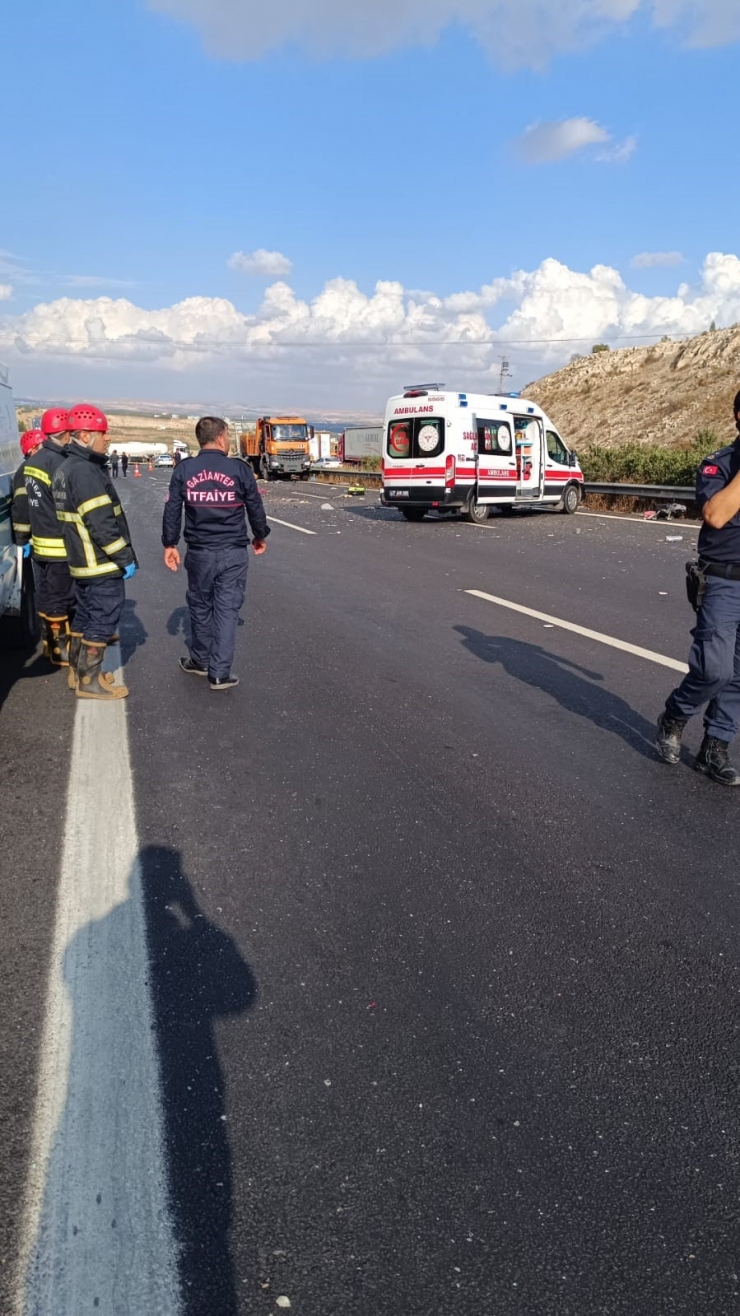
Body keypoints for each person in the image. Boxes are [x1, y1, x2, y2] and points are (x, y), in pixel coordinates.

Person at [657, 388, 740, 785]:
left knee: (739, 675)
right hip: (724, 581)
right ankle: (675, 713)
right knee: (714, 670)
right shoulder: (719, 465)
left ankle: (714, 748)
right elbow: (716, 515)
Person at [162, 415, 269, 691]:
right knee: (226, 608)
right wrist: (260, 535)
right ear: (221, 437)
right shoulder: (239, 469)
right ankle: (219, 672)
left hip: (199, 551)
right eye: (229, 436)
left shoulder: (185, 470)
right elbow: (254, 506)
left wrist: (170, 544)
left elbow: (173, 509)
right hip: (232, 552)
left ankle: (200, 660)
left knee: (199, 605)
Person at [53, 403, 138, 700]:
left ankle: (79, 673)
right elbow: (101, 523)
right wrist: (124, 558)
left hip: (80, 562)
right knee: (103, 617)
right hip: (98, 563)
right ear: (86, 436)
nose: (108, 439)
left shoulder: (66, 468)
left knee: (85, 616)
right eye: (104, 433)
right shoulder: (86, 471)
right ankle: (90, 682)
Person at [13, 411, 76, 666]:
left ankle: (51, 645)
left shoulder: (29, 467)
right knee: (63, 600)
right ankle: (61, 650)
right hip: (60, 547)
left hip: (39, 546)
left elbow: (23, 508)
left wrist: (22, 538)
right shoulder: (61, 463)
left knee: (47, 598)